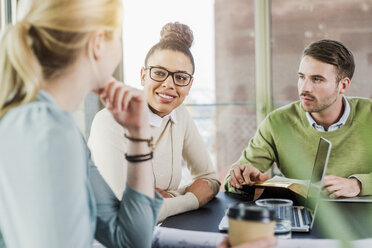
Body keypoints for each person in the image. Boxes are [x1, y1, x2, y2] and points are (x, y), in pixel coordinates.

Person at [0, 0, 163, 247]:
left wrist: (138, 134)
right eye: (118, 38)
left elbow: (129, 240)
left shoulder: (59, 130)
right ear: (98, 43)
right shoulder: (51, 132)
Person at [88, 22, 220, 222]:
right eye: (159, 73)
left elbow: (210, 180)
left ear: (189, 85)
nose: (169, 84)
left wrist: (166, 199)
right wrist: (192, 198)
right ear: (143, 76)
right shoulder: (108, 122)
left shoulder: (180, 115)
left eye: (181, 77)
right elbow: (132, 213)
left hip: (162, 230)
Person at [225, 39, 372, 198]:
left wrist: (357, 184)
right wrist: (242, 178)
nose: (304, 88)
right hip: (300, 215)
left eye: (317, 79)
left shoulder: (368, 114)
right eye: (302, 77)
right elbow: (230, 183)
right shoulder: (277, 122)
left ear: (343, 85)